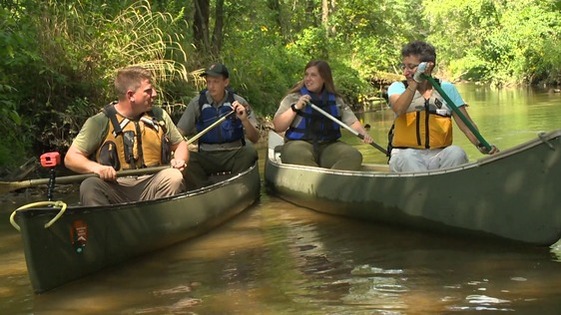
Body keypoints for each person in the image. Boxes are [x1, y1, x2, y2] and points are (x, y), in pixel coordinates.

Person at [64, 66, 189, 206]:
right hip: (117, 186)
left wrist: (179, 160)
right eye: (148, 91)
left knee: (174, 176)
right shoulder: (99, 122)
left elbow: (180, 145)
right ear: (131, 96)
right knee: (89, 185)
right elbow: (71, 158)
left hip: (153, 182)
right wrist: (97, 168)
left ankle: (161, 220)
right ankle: (106, 224)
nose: (154, 94)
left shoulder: (159, 115)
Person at [387, 40, 498, 173]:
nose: (405, 72)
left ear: (428, 66)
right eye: (403, 66)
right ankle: (424, 190)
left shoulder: (446, 89)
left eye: (411, 67)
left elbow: (467, 125)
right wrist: (415, 82)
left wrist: (480, 144)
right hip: (406, 154)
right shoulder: (398, 88)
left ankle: (447, 189)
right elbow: (398, 109)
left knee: (457, 153)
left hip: (437, 155)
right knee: (408, 157)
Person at [273, 59, 373, 171]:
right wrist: (296, 107)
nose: (308, 79)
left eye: (313, 75)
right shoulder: (294, 98)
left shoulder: (336, 100)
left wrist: (364, 134)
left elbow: (352, 122)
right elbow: (278, 126)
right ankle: (319, 181)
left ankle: (330, 180)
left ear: (324, 78)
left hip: (328, 146)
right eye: (306, 75)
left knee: (353, 155)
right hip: (300, 144)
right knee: (296, 154)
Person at [176, 63, 259, 188]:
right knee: (187, 159)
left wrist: (244, 120)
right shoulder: (196, 103)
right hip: (207, 155)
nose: (211, 86)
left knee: (249, 151)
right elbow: (178, 133)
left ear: (225, 82)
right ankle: (205, 187)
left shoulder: (239, 102)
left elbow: (255, 138)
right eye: (208, 82)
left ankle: (237, 185)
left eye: (215, 82)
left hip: (233, 154)